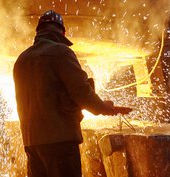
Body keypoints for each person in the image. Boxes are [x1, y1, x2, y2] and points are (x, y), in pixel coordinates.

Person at [13, 10, 132, 177]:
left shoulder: (21, 60)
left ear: (38, 31)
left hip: (32, 144)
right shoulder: (62, 53)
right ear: (62, 32)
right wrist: (104, 107)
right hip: (60, 143)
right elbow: (81, 91)